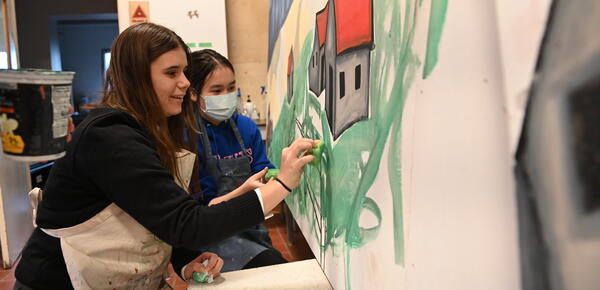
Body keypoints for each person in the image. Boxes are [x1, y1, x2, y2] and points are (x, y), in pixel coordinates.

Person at [13, 22, 316, 290]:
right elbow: (188, 223)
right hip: (56, 280)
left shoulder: (148, 130)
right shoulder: (107, 135)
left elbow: (157, 214)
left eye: (184, 71)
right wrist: (284, 183)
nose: (185, 82)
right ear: (136, 78)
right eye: (172, 73)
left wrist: (185, 261)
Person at [187, 49, 284, 272]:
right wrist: (243, 191)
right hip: (209, 238)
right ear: (194, 93)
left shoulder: (246, 127)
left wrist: (280, 175)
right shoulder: (187, 138)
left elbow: (262, 169)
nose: (227, 94)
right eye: (217, 90)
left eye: (231, 87)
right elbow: (197, 211)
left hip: (252, 228)